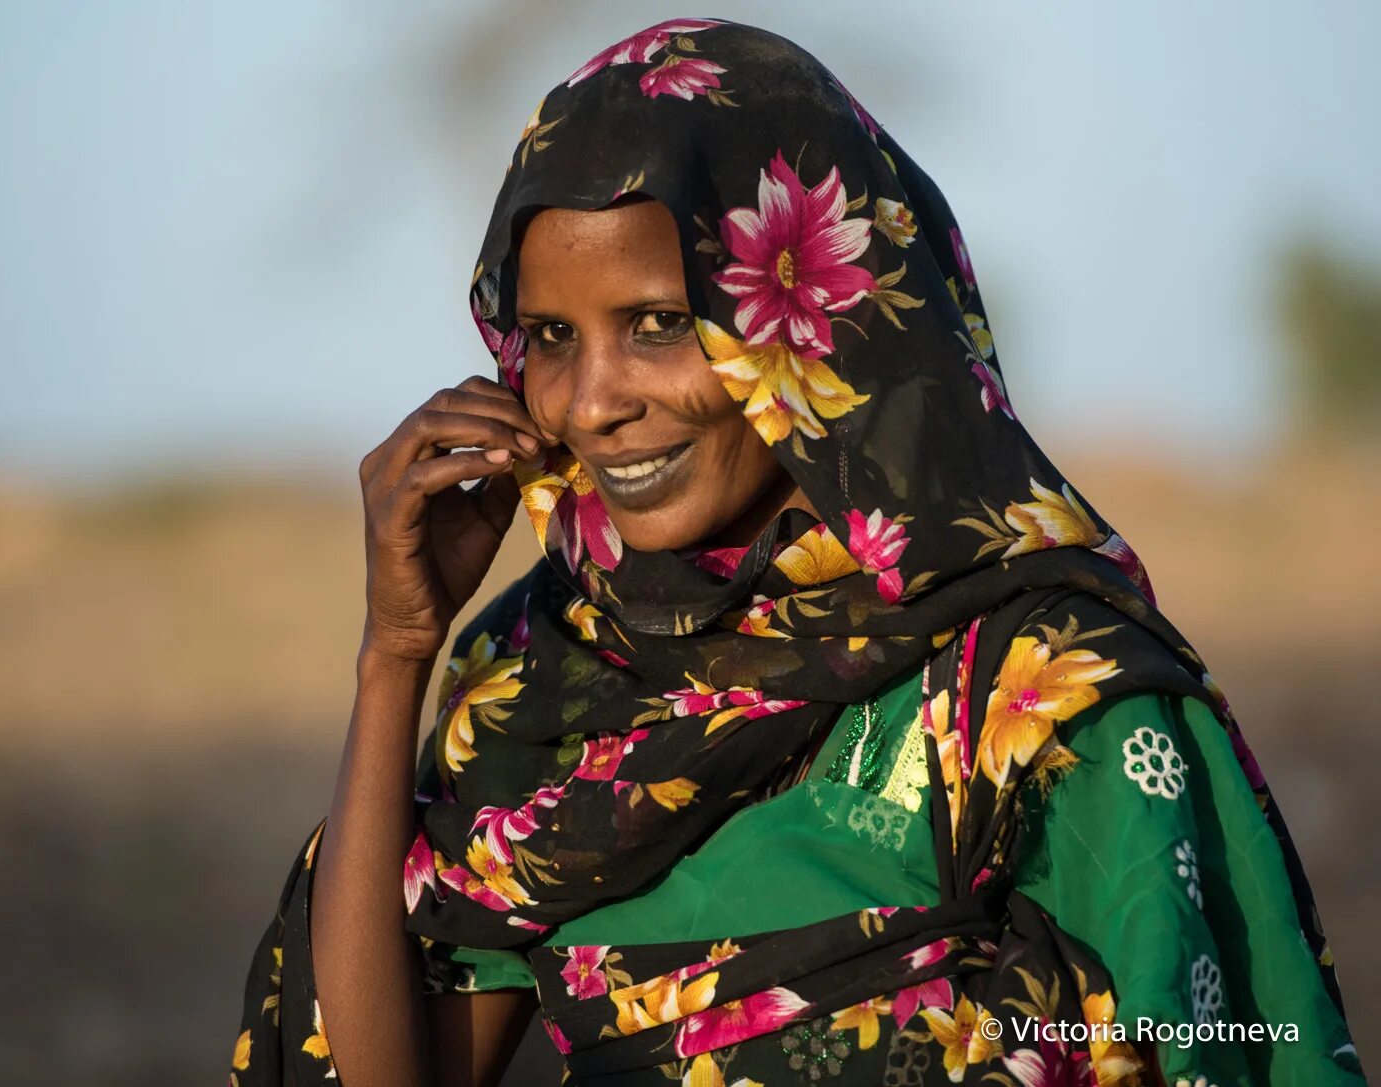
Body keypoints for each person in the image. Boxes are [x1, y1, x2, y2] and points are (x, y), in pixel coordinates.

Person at [227, 19, 1366, 1087]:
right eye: (551, 338)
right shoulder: (541, 679)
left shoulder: (1038, 684)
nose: (590, 403)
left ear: (814, 322)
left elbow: (1205, 1037)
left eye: (661, 324)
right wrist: (395, 655)